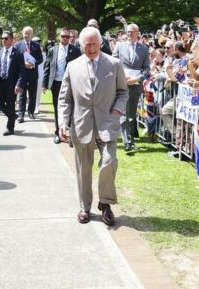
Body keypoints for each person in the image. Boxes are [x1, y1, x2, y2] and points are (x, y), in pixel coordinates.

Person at [58, 26, 128, 226]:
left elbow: (123, 92)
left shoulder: (114, 64)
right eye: (87, 44)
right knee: (83, 169)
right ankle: (84, 207)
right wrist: (63, 122)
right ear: (80, 45)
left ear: (101, 43)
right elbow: (65, 98)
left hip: (107, 123)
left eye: (94, 44)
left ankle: (105, 203)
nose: (91, 48)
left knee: (109, 161)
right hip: (81, 125)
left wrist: (117, 110)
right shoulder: (72, 66)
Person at [112, 23, 150, 151]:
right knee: (123, 112)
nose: (130, 34)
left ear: (138, 33)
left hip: (136, 84)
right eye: (128, 31)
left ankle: (130, 139)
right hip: (123, 83)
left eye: (132, 31)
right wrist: (122, 77)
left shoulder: (144, 49)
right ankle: (127, 142)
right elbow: (114, 63)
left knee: (132, 113)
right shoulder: (119, 46)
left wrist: (139, 78)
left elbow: (147, 68)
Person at [43, 27, 81, 143]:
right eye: (63, 36)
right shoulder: (52, 50)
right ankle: (58, 133)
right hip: (56, 83)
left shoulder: (75, 50)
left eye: (67, 37)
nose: (65, 39)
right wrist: (44, 84)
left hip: (70, 84)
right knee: (57, 108)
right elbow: (47, 66)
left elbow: (79, 68)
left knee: (70, 108)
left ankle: (69, 132)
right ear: (59, 37)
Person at [0, 31, 26, 135]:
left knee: (10, 105)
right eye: (2, 39)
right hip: (0, 82)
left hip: (12, 83)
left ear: (11, 40)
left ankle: (10, 127)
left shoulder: (18, 53)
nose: (3, 40)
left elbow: (22, 71)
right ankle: (12, 115)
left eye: (6, 38)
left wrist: (19, 84)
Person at [15, 26, 43, 122]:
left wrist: (33, 64)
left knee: (32, 94)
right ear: (22, 33)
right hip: (22, 74)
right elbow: (15, 59)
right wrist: (24, 64)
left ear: (32, 35)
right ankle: (21, 114)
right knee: (22, 94)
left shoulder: (36, 45)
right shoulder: (18, 45)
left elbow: (40, 59)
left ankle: (31, 112)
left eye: (28, 33)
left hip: (33, 73)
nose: (26, 35)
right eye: (25, 33)